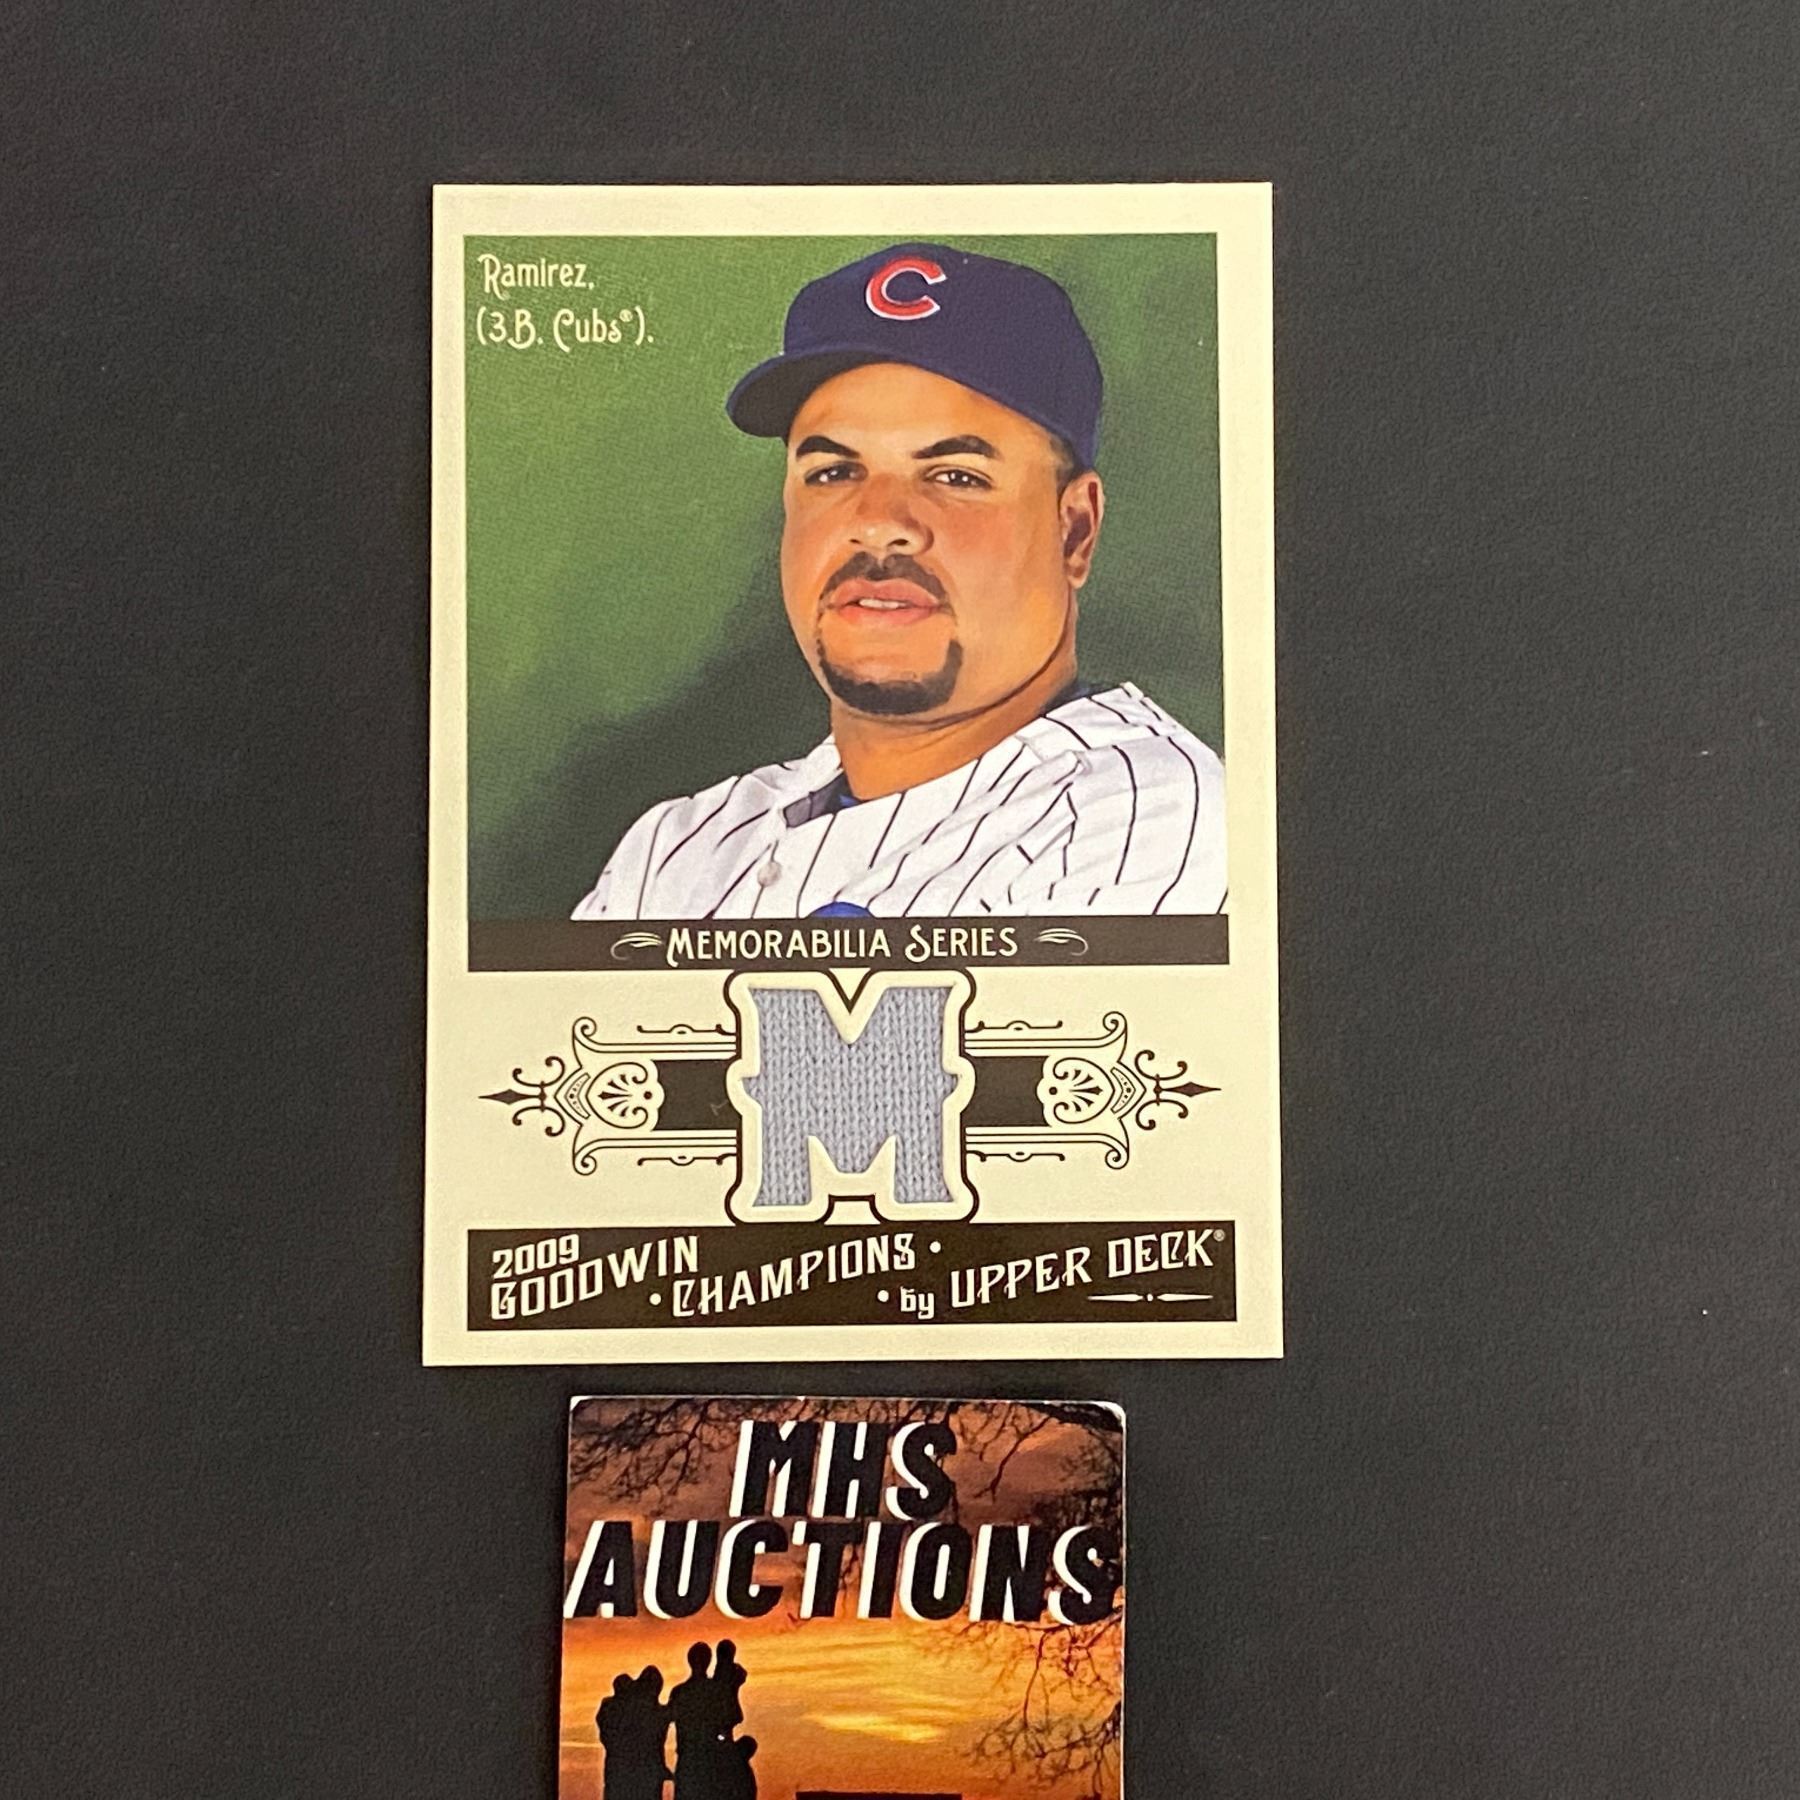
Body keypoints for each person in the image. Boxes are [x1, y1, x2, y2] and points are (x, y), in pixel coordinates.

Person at [572, 242, 1226, 921]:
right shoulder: (676, 850)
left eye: (956, 476)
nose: (879, 524)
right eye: (833, 472)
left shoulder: (1147, 818)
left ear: (1075, 531)